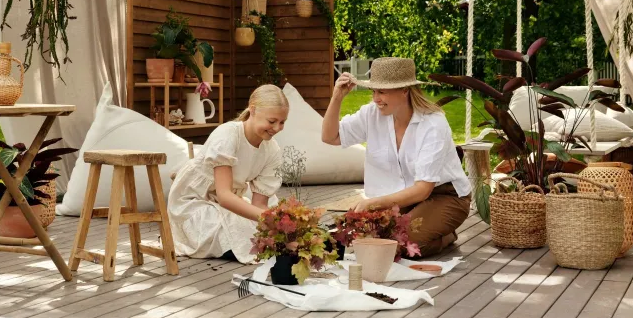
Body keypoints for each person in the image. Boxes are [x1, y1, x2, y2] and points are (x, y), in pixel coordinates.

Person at [321, 57, 471, 257]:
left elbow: (423, 189)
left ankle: (445, 235)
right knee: (369, 241)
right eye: (373, 91)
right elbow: (330, 137)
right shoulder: (371, 114)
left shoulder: (433, 124)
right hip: (401, 197)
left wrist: (371, 204)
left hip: (445, 196)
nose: (376, 98)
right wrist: (337, 97)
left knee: (398, 244)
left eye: (382, 91)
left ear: (404, 90)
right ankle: (426, 225)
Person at [168, 85, 289, 263]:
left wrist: (273, 225)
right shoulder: (228, 135)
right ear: (253, 110)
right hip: (194, 203)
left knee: (263, 228)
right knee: (239, 228)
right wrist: (266, 219)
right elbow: (224, 196)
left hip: (226, 203)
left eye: (282, 122)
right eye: (272, 121)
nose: (277, 128)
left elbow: (259, 204)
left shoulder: (271, 150)